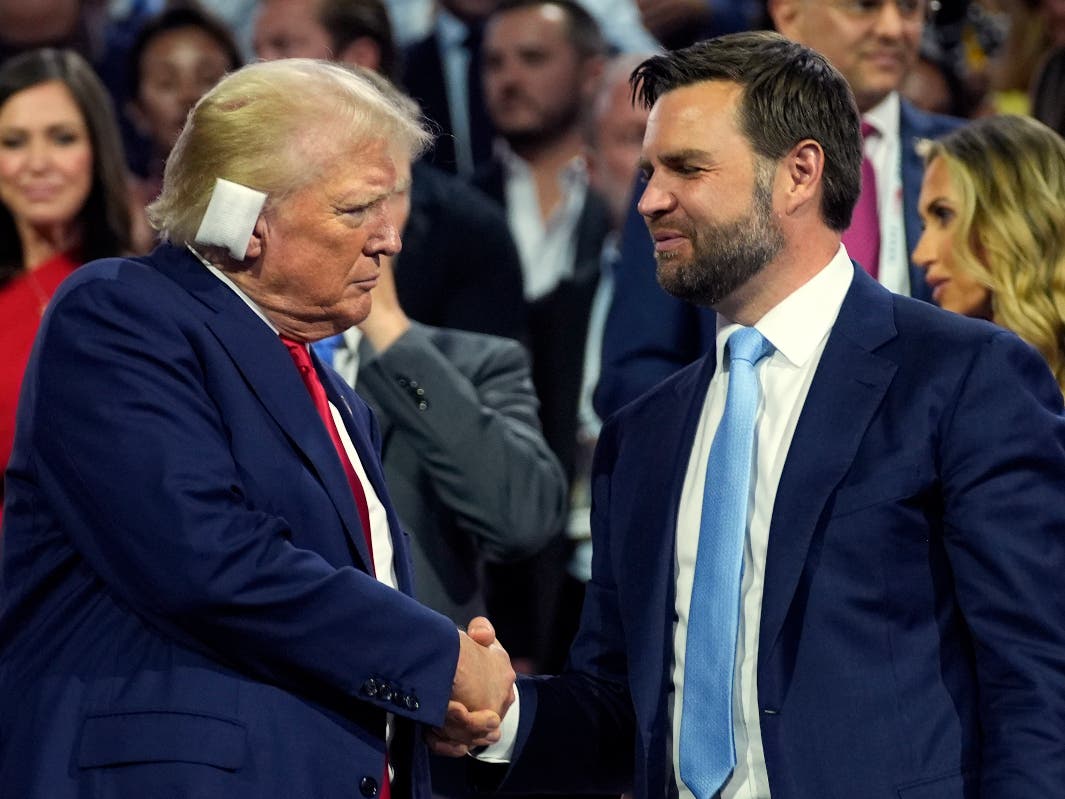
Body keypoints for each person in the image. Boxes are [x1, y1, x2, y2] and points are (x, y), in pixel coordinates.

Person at [440, 32, 1065, 798]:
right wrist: (500, 716)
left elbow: (1035, 676)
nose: (649, 199)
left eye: (687, 168)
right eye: (646, 171)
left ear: (799, 172)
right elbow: (617, 704)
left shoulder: (963, 377)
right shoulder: (639, 437)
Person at [0, 58, 514, 797]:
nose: (388, 239)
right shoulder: (119, 314)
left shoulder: (333, 395)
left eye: (388, 206)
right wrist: (435, 659)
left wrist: (430, 696)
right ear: (245, 220)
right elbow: (205, 557)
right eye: (355, 209)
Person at [595, 0, 964, 417]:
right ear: (788, 12)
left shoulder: (970, 163)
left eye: (912, 8)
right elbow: (637, 367)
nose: (894, 29)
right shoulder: (684, 157)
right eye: (864, 6)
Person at [472, 0, 612, 674]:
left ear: (590, 74)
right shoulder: (448, 215)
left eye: (532, 58)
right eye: (493, 62)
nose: (507, 78)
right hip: (483, 533)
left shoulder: (628, 206)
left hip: (590, 526)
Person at [253, 0, 528, 340]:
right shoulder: (249, 209)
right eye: (257, 49)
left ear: (358, 59)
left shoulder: (468, 231)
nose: (260, 67)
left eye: (283, 46)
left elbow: (478, 389)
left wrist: (383, 320)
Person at [0, 47, 131, 499]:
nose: (38, 163)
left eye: (62, 138)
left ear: (97, 148)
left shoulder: (142, 291)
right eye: (13, 142)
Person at [913, 113, 1065, 392]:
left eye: (944, 215)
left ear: (1014, 219)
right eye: (924, 225)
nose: (921, 255)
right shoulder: (943, 386)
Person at [126, 2, 242, 209]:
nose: (188, 95)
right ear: (138, 111)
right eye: (166, 82)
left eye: (208, 78)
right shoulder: (121, 215)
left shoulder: (274, 203)